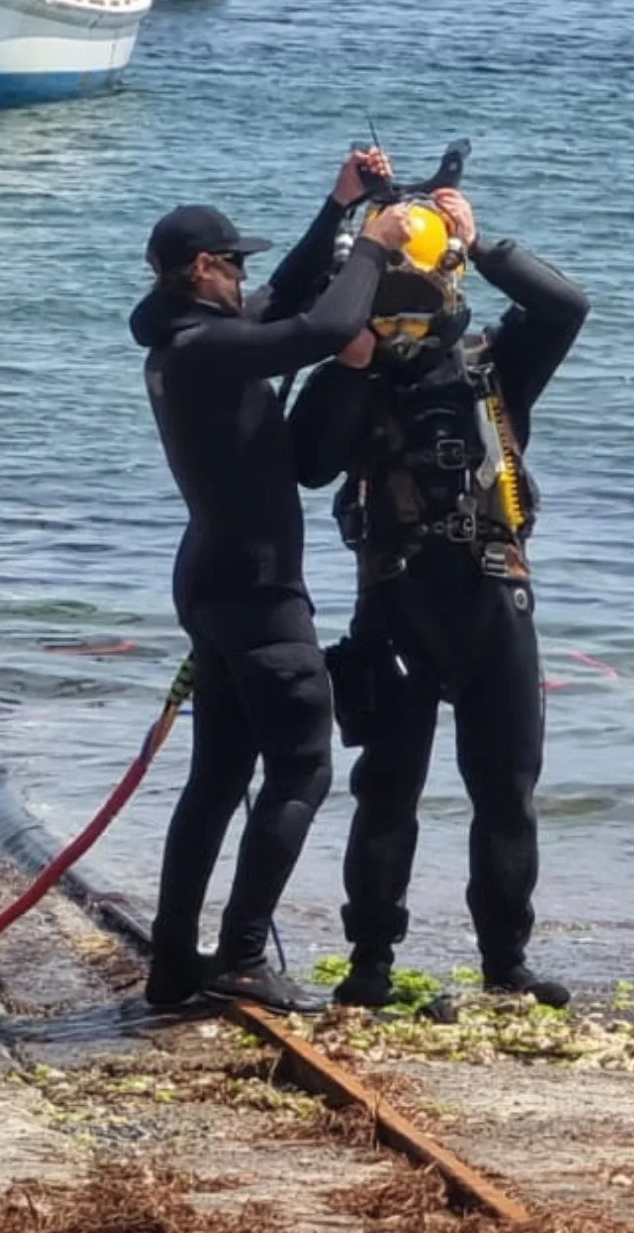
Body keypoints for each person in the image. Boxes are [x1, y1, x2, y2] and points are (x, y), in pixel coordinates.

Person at [290, 181, 589, 1009]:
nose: (409, 317)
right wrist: (350, 358)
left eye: (423, 295)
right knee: (388, 790)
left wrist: (483, 242)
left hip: (494, 596)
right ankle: (371, 968)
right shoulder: (358, 375)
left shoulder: (493, 365)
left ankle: (505, 964)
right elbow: (306, 462)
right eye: (395, 296)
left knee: (507, 792)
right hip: (395, 604)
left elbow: (566, 305)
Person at [130, 153, 415, 1014]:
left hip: (212, 579)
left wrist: (339, 206)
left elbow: (287, 303)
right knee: (301, 769)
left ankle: (176, 961)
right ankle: (245, 956)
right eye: (234, 264)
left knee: (217, 778)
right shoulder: (207, 346)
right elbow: (320, 332)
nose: (245, 276)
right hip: (256, 591)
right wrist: (373, 247)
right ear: (200, 271)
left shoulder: (189, 339)